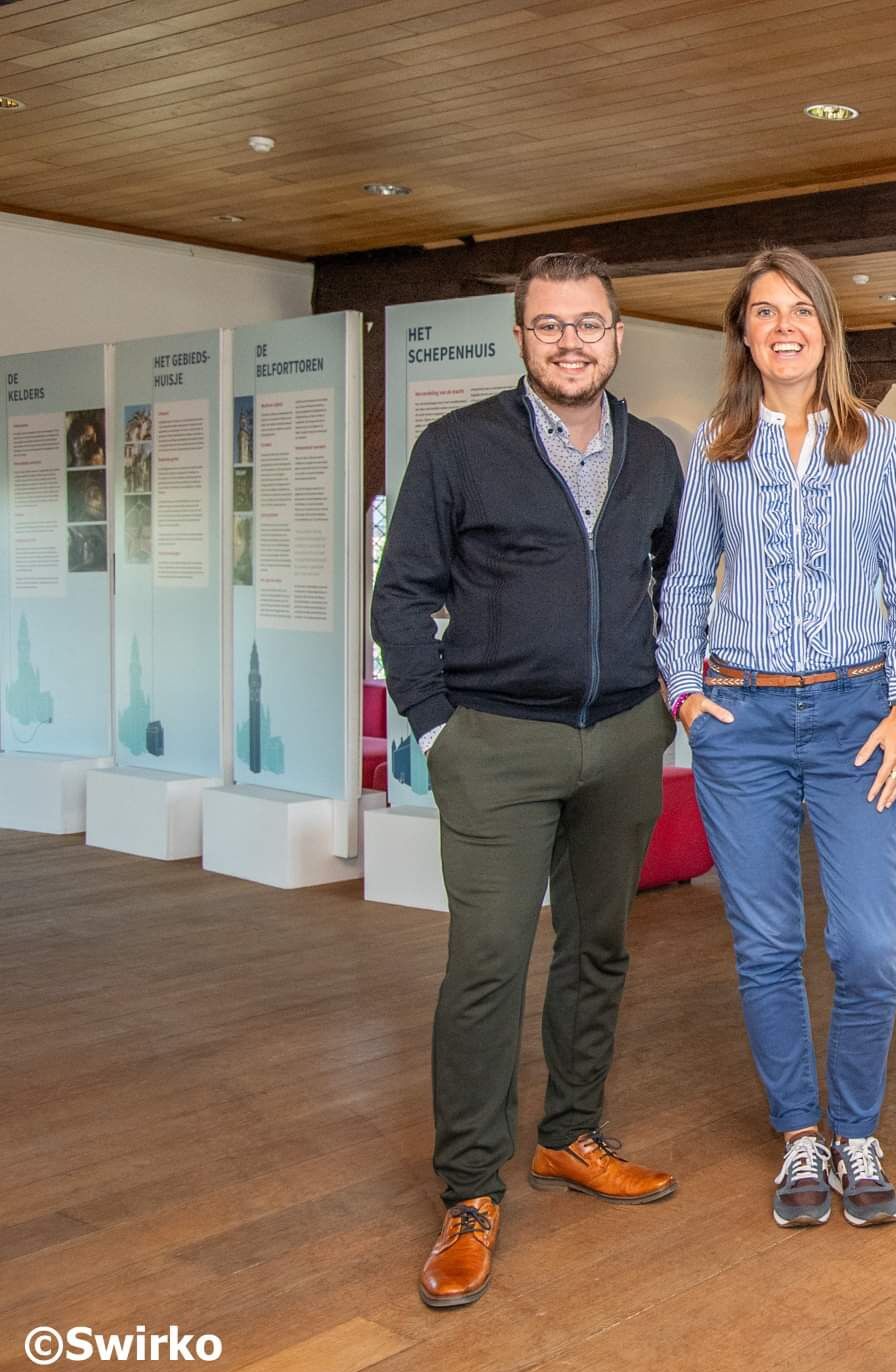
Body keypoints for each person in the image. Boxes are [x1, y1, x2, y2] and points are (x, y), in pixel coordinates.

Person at [372, 251, 683, 1309]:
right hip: (495, 743)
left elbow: (673, 579)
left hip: (623, 738)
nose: (569, 342)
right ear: (520, 339)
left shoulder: (654, 454)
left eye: (588, 324)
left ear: (617, 335)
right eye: (548, 325)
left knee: (597, 948)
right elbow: (400, 595)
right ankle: (469, 1190)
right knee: (488, 963)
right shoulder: (459, 446)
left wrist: (665, 696)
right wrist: (435, 728)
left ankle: (570, 1135)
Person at [658, 245, 896, 1231]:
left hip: (858, 717)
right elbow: (686, 578)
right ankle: (800, 1134)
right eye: (764, 311)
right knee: (767, 938)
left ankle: (856, 1129)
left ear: (825, 327)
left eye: (800, 309)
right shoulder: (715, 443)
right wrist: (686, 697)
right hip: (743, 722)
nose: (783, 327)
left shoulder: (876, 443)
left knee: (868, 942)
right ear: (744, 332)